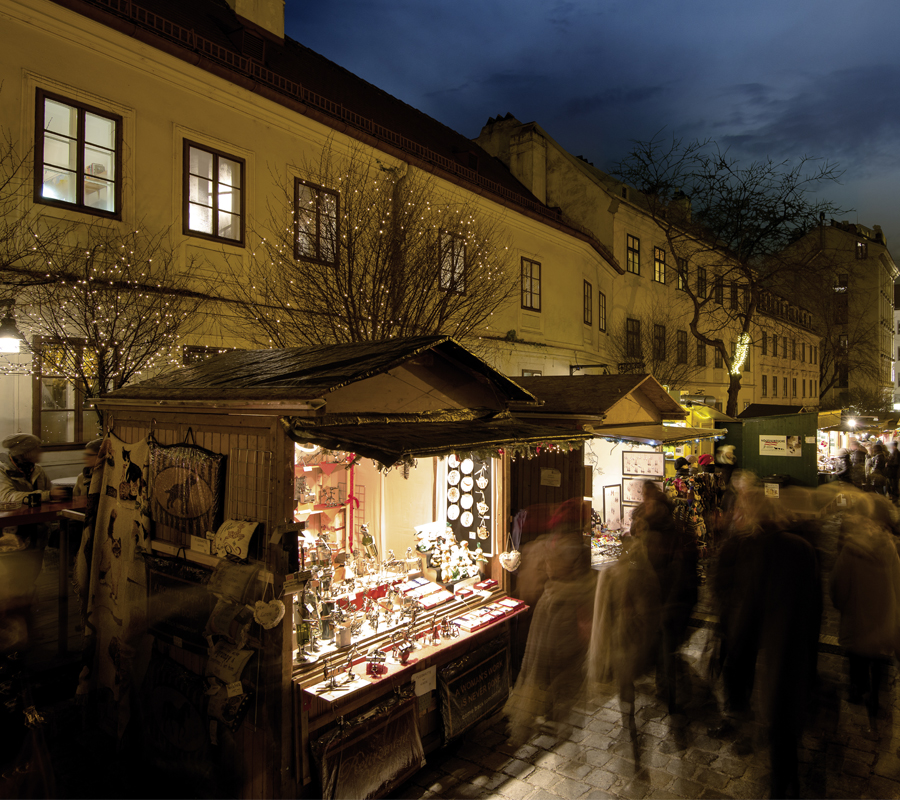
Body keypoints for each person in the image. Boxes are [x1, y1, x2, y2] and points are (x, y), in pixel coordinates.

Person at [830, 508, 900, 728]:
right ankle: (877, 700)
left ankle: (858, 691)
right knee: (879, 664)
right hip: (883, 624)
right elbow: (898, 583)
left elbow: (838, 587)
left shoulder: (850, 550)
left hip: (857, 624)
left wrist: (843, 607)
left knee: (857, 663)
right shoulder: (889, 547)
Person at [0, 434, 66, 652]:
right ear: (25, 452)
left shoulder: (37, 471)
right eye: (36, 449)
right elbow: (7, 497)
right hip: (10, 538)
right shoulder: (2, 470)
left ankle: (23, 633)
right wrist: (46, 495)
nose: (41, 452)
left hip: (36, 536)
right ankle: (11, 637)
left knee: (28, 580)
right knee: (10, 585)